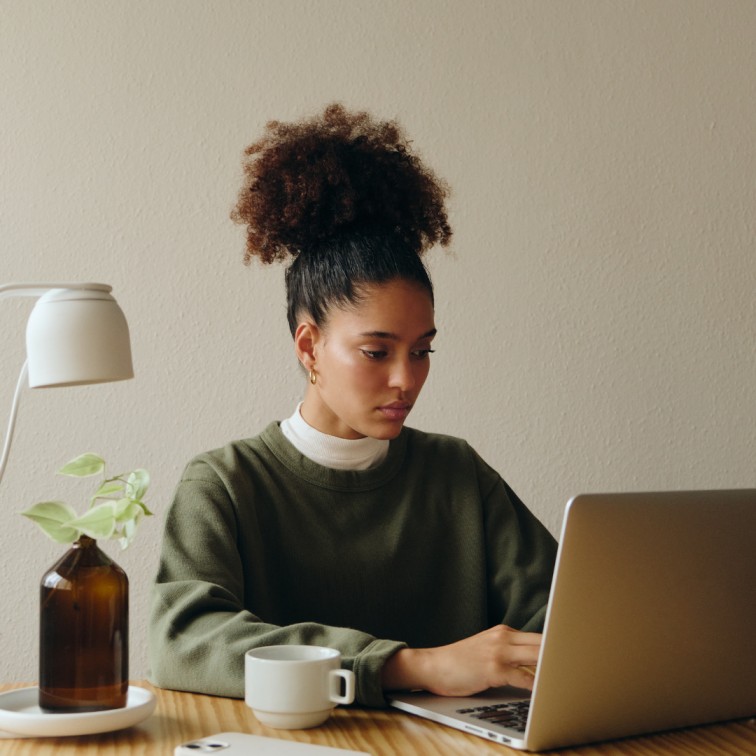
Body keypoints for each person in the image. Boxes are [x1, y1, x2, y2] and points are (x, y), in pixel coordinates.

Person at [149, 103, 557, 708]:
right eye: (376, 351)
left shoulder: (458, 474)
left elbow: (563, 616)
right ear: (309, 345)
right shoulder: (225, 484)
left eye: (422, 351)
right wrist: (411, 665)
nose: (406, 380)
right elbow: (183, 641)